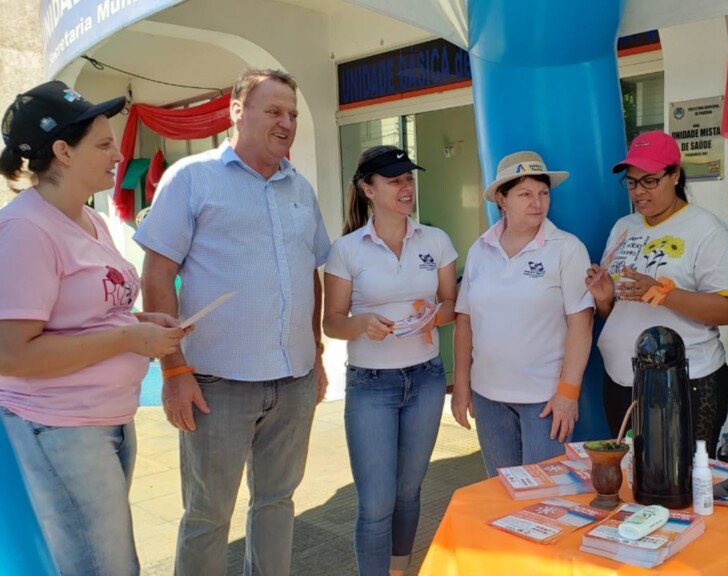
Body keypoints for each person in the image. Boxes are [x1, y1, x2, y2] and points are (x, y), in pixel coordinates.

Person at [135, 68, 332, 576]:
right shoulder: (191, 178)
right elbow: (157, 278)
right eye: (274, 111)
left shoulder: (300, 188)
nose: (286, 122)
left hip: (293, 381)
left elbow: (308, 275)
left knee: (276, 503)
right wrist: (174, 372)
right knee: (207, 516)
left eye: (291, 113)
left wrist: (318, 355)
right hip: (214, 385)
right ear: (237, 112)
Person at [0, 81, 185, 575]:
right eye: (103, 144)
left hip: (105, 422)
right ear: (62, 151)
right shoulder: (26, 231)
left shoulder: (91, 220)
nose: (118, 155)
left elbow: (92, 316)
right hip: (60, 428)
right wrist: (129, 338)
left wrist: (141, 323)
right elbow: (12, 355)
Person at [322, 146, 457, 576]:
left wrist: (436, 315)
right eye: (395, 180)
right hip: (371, 385)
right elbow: (332, 323)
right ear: (368, 188)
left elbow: (452, 304)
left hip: (427, 379)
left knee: (408, 492)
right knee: (376, 501)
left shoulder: (434, 240)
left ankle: (400, 571)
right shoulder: (346, 250)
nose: (407, 187)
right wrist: (362, 323)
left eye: (409, 179)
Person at [587, 131, 728, 454]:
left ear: (675, 174)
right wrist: (603, 297)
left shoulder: (706, 229)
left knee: (681, 484)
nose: (639, 192)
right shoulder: (623, 227)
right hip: (621, 380)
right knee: (632, 480)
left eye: (650, 181)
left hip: (686, 382)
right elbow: (616, 313)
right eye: (631, 182)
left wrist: (664, 294)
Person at [452, 151, 594, 477]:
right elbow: (464, 320)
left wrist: (568, 393)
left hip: (545, 401)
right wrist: (462, 386)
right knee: (501, 491)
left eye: (543, 193)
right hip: (488, 397)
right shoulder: (480, 249)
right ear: (502, 199)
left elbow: (581, 323)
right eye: (525, 194)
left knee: (543, 500)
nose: (538, 203)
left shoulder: (567, 248)